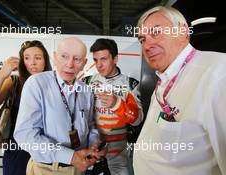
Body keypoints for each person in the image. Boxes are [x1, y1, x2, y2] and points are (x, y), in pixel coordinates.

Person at [133, 6, 226, 175]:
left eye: (156, 33)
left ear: (183, 31)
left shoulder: (218, 73)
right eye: (142, 40)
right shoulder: (165, 79)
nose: (147, 45)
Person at [13, 37, 106, 175]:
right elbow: (26, 135)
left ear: (84, 63)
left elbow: (90, 125)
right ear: (55, 57)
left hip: (80, 168)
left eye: (77, 59)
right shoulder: (37, 84)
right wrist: (71, 157)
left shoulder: (86, 91)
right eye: (64, 56)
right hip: (47, 169)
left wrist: (94, 146)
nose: (70, 64)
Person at [0, 40, 52, 175]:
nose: (32, 62)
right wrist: (3, 74)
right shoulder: (14, 83)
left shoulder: (55, 85)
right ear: (22, 62)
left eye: (38, 58)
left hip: (48, 154)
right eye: (27, 58)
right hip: (18, 154)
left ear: (45, 61)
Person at [82, 38, 143, 175]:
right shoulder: (87, 82)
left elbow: (137, 119)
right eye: (96, 60)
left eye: (103, 59)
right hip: (93, 150)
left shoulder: (130, 84)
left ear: (115, 59)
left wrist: (117, 104)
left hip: (118, 152)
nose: (99, 65)